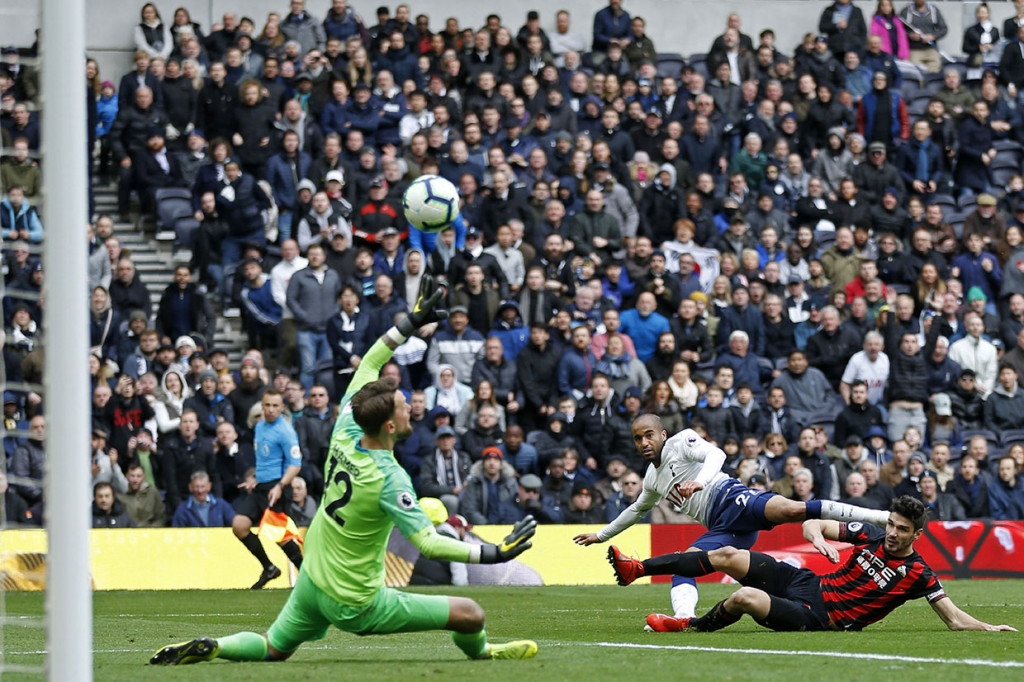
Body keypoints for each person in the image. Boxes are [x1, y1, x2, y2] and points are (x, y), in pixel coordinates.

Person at [151, 275, 539, 666]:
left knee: (273, 648)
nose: (409, 409)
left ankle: (217, 646)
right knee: (470, 614)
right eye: (403, 406)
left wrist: (408, 323)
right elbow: (429, 544)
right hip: (356, 601)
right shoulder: (389, 477)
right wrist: (493, 553)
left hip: (313, 581)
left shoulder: (345, 431)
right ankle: (485, 653)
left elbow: (371, 359)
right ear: (390, 425)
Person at [573, 416, 890, 621]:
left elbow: (717, 455)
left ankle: (883, 516)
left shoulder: (682, 441)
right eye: (638, 438)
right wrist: (601, 535)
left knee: (793, 509)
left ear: (662, 434)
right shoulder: (651, 479)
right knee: (685, 562)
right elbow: (636, 510)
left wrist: (700, 481)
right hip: (723, 527)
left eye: (649, 435)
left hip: (734, 498)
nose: (644, 443)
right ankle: (683, 619)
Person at [609, 496, 1016, 633]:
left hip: (820, 617)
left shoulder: (918, 574)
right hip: (809, 583)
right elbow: (813, 523)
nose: (892, 533)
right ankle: (638, 569)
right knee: (728, 557)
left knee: (745, 596)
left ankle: (691, 625)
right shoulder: (870, 534)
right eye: (890, 524)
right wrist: (820, 539)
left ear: (917, 535)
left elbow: (953, 619)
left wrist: (988, 627)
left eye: (902, 529)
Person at [172, 470, 236, 527]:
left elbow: (235, 524)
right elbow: (177, 533)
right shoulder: (183, 509)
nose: (200, 491)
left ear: (209, 486)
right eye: (196, 487)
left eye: (203, 487)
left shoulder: (221, 505)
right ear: (190, 487)